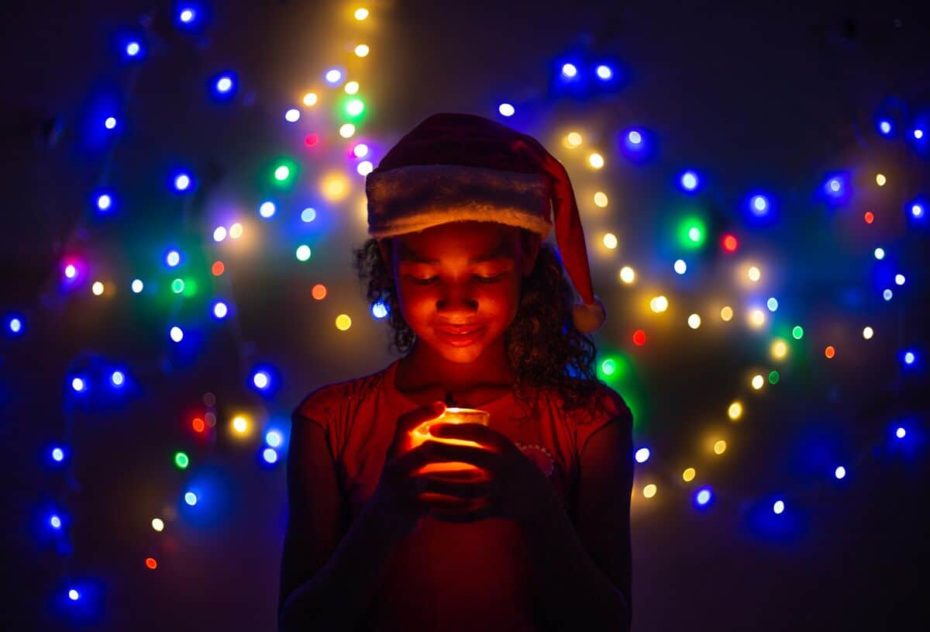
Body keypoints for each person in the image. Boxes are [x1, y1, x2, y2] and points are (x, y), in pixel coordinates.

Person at [278, 113, 634, 631]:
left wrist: (536, 508)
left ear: (528, 253)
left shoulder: (589, 423)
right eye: (424, 276)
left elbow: (608, 624)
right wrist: (386, 516)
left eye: (486, 274)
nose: (456, 304)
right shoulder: (330, 424)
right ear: (388, 259)